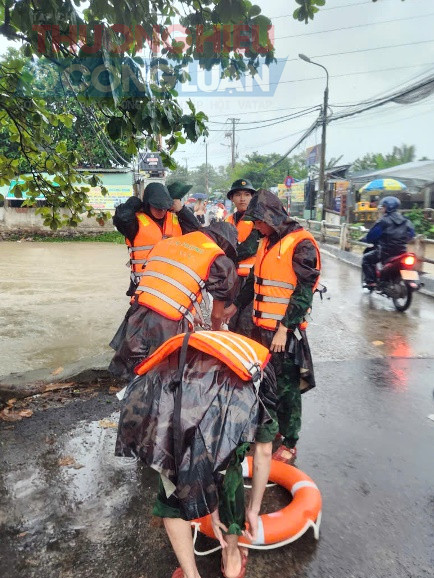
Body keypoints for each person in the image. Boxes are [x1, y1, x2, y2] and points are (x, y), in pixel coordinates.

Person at [115, 330, 277, 578]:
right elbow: (263, 451)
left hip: (169, 404)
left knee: (173, 482)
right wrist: (252, 510)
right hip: (207, 404)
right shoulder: (261, 370)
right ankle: (231, 559)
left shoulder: (177, 361)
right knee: (229, 469)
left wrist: (208, 502)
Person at [223, 189, 321, 465]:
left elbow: (303, 292)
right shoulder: (266, 242)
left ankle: (290, 441)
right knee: (265, 385)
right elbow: (255, 280)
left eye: (258, 221)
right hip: (260, 329)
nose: (255, 227)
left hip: (283, 334)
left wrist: (284, 329)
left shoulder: (301, 244)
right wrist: (235, 305)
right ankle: (271, 430)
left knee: (287, 389)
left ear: (272, 216)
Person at [109, 222, 239, 380]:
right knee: (166, 374)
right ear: (224, 242)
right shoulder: (218, 260)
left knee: (133, 368)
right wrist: (215, 336)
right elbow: (217, 316)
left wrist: (190, 315)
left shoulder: (169, 242)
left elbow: (169, 286)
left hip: (138, 310)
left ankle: (131, 394)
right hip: (168, 321)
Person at [113, 182, 199, 296]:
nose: (162, 211)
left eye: (165, 207)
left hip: (173, 283)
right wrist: (132, 203)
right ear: (148, 204)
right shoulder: (134, 223)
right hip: (144, 286)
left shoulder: (176, 218)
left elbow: (197, 231)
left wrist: (182, 210)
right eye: (158, 207)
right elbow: (121, 219)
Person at [224, 179, 260, 337]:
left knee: (247, 324)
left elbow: (250, 248)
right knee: (230, 321)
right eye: (238, 194)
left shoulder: (257, 221)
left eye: (247, 194)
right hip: (231, 280)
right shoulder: (227, 221)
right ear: (232, 198)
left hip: (250, 281)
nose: (242, 198)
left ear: (252, 198)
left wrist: (228, 252)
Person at [362, 196, 415, 287]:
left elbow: (372, 236)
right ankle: (411, 281)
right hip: (401, 252)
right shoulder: (406, 220)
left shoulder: (383, 221)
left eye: (383, 207)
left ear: (387, 207)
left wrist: (367, 239)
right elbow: (411, 234)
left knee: (366, 259)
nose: (382, 209)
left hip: (385, 252)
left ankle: (371, 282)